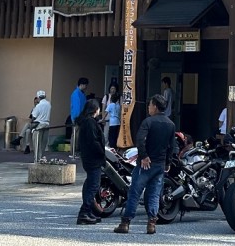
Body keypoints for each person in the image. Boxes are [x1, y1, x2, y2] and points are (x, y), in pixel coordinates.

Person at [114, 93, 176, 236]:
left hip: (145, 164)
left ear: (154, 106)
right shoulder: (170, 124)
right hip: (160, 164)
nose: (148, 107)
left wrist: (144, 156)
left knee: (134, 192)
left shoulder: (148, 122)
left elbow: (140, 139)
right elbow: (171, 146)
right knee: (154, 194)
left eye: (150, 105)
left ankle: (125, 223)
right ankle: (151, 224)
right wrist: (168, 162)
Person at [75, 98, 107, 225]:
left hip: (88, 158)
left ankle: (88, 212)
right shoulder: (90, 123)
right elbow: (94, 142)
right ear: (95, 109)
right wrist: (101, 153)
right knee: (94, 185)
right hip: (93, 158)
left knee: (90, 184)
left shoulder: (87, 122)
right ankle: (84, 212)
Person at [29, 90, 52, 162]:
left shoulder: (38, 106)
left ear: (38, 97)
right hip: (47, 124)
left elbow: (33, 117)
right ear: (45, 96)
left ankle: (37, 159)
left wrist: (31, 122)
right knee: (43, 143)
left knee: (37, 143)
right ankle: (42, 157)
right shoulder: (49, 104)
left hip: (38, 125)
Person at [70, 77, 89, 156]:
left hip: (81, 117)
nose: (86, 87)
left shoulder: (81, 93)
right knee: (75, 135)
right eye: (86, 85)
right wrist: (76, 118)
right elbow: (76, 107)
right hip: (78, 118)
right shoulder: (76, 94)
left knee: (79, 135)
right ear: (82, 85)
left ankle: (76, 151)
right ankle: (73, 152)